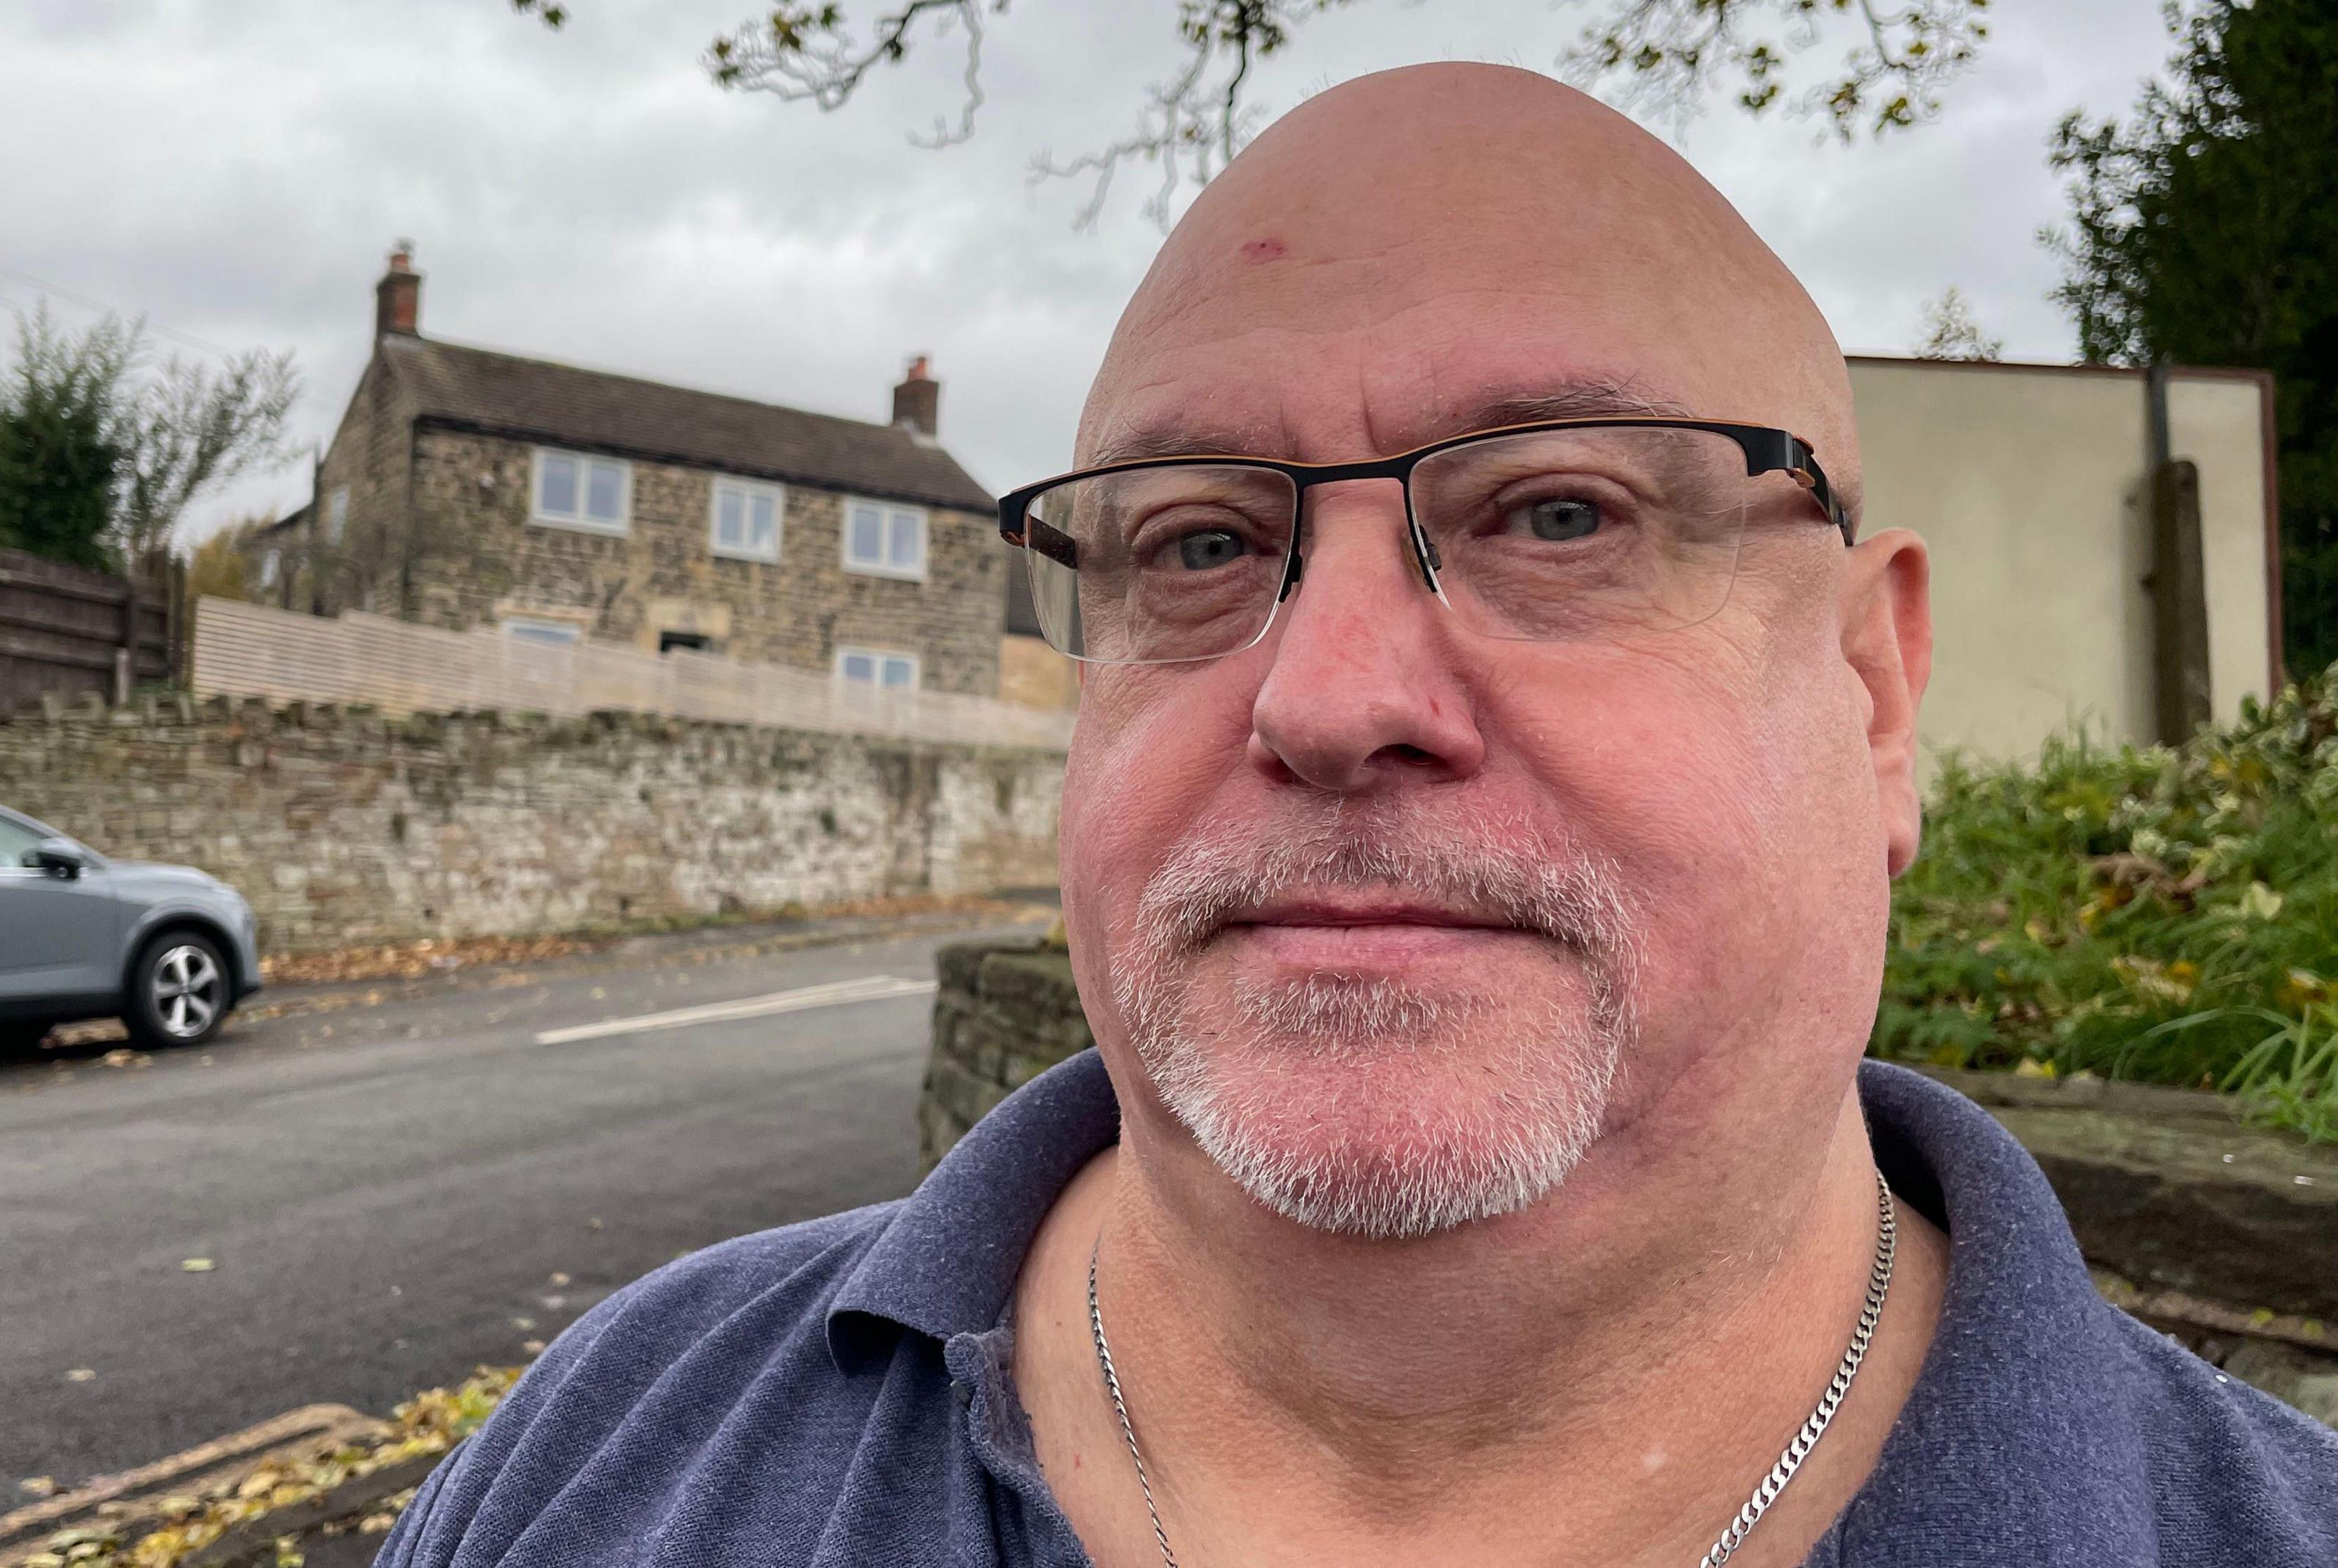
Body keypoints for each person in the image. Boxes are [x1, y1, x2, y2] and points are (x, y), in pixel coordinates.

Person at [381, 63, 2338, 1568]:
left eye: (1559, 513)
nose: (1326, 697)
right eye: (1204, 542)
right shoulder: (602, 1456)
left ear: (1873, 686)